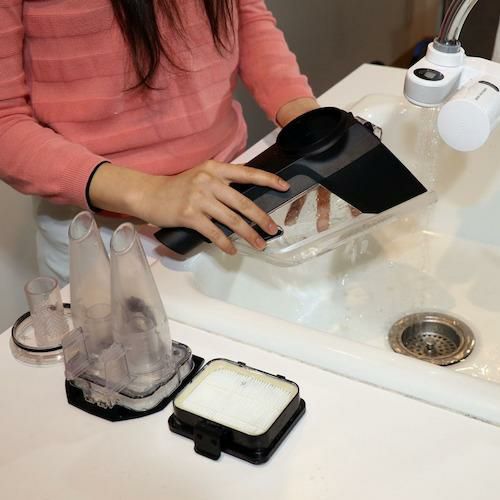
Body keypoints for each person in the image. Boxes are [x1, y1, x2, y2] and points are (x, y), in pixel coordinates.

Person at [0, 0, 319, 282]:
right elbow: (5, 120)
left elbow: (244, 15)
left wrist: (307, 122)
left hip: (232, 195)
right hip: (104, 234)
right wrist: (149, 191)